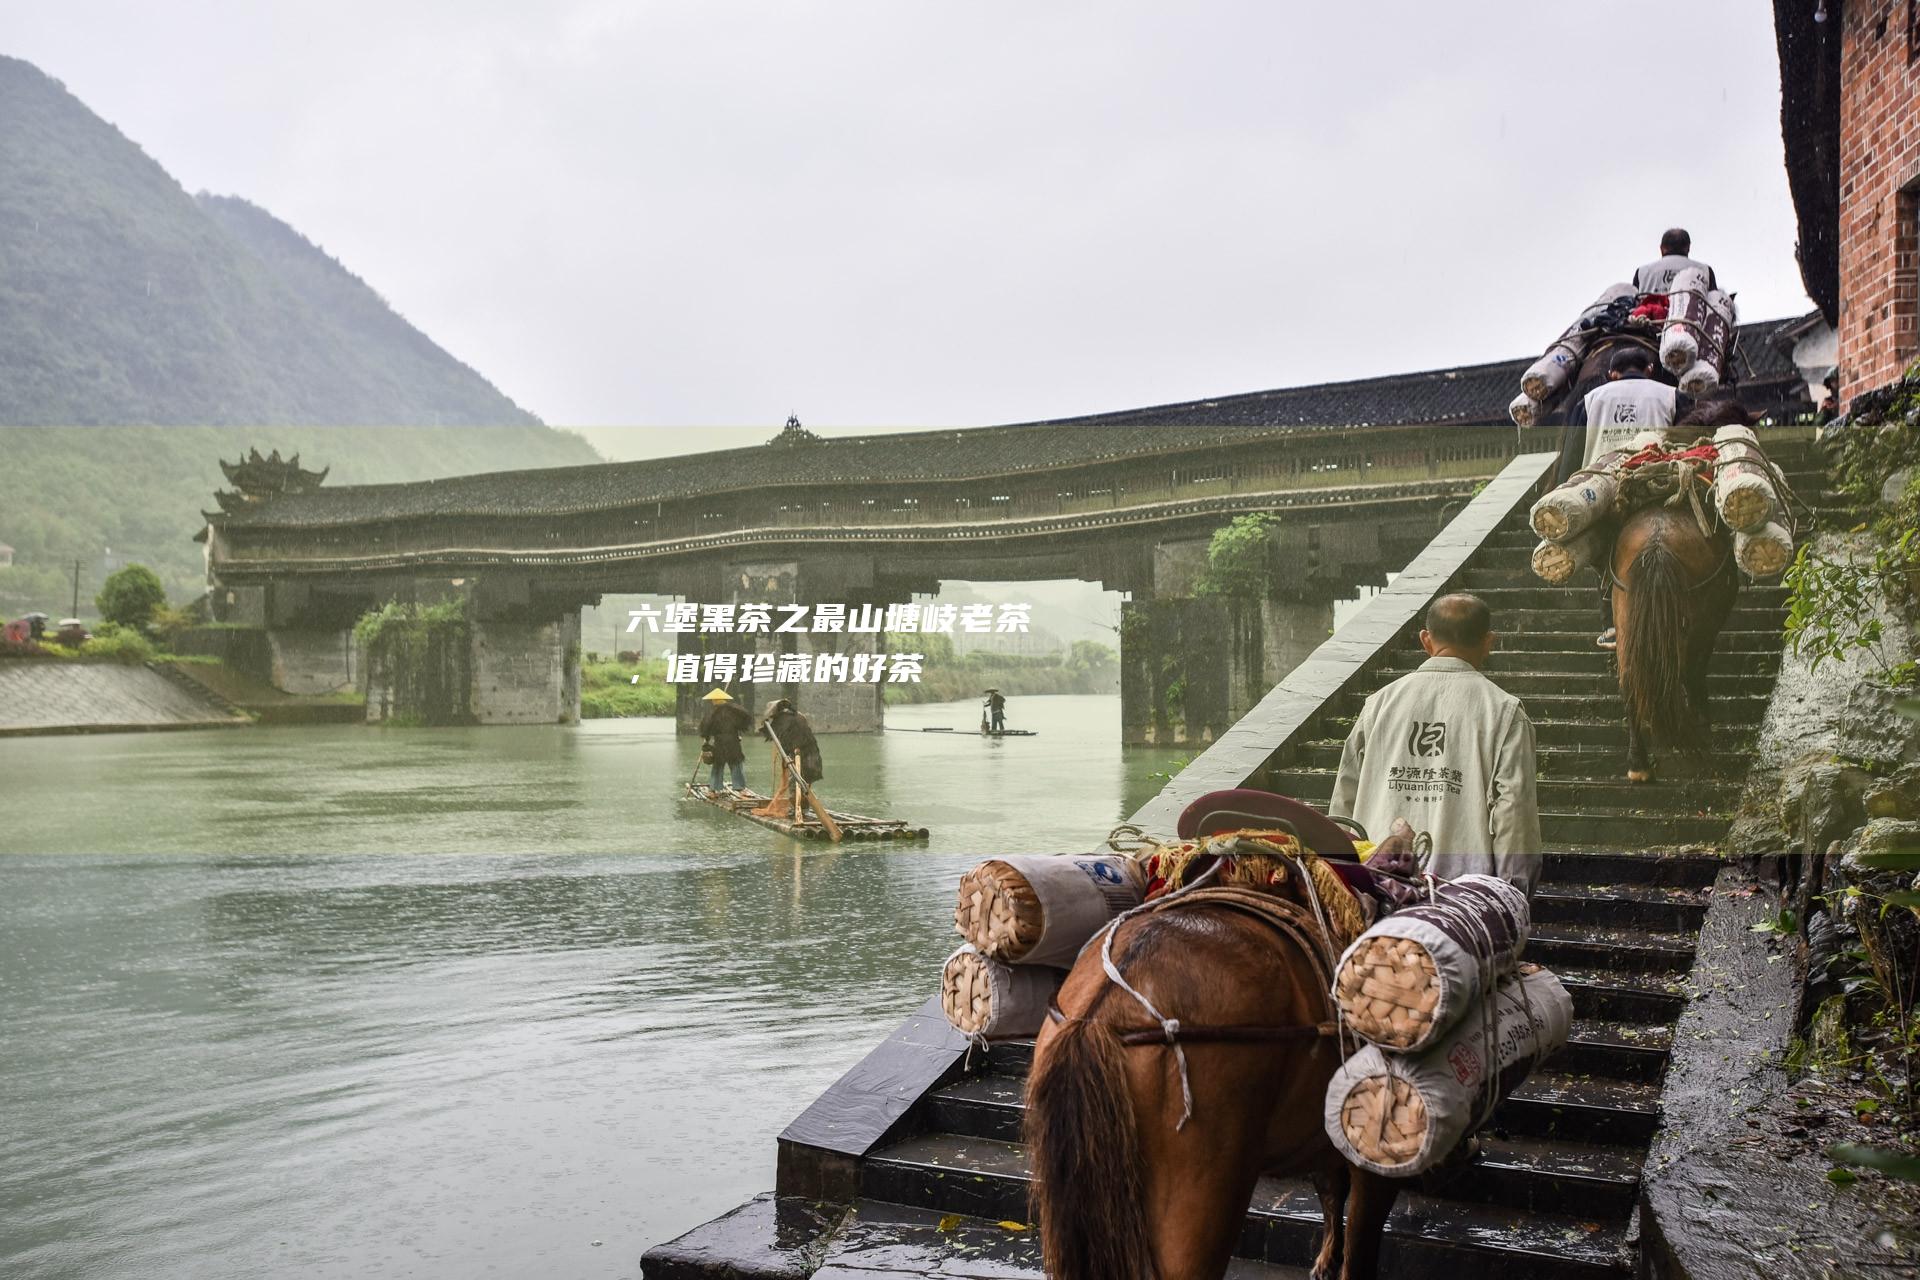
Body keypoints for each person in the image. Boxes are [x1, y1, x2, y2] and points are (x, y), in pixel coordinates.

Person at [1328, 594, 1541, 898]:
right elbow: (1514, 810)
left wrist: (1342, 876)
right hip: (1463, 895)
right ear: (1488, 642)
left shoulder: (1378, 705)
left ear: (1426, 640)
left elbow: (1344, 802)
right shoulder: (1503, 712)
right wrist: (1512, 891)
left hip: (1375, 883)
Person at [752, 699, 824, 819]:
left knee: (795, 783)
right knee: (805, 783)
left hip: (799, 754)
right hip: (813, 753)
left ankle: (796, 810)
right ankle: (803, 810)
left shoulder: (783, 720)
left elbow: (784, 739)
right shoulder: (798, 716)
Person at [1632, 227, 1717, 296]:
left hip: (1650, 316)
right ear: (1688, 248)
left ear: (1662, 248)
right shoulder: (1704, 270)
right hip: (1691, 317)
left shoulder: (1642, 271)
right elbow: (1715, 302)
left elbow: (1633, 304)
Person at [697, 688, 752, 792]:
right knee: (736, 764)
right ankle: (739, 786)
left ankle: (715, 787)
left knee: (718, 765)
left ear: (713, 700)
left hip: (719, 743)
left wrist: (707, 739)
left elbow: (705, 728)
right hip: (733, 741)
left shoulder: (712, 714)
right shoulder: (735, 711)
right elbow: (746, 718)